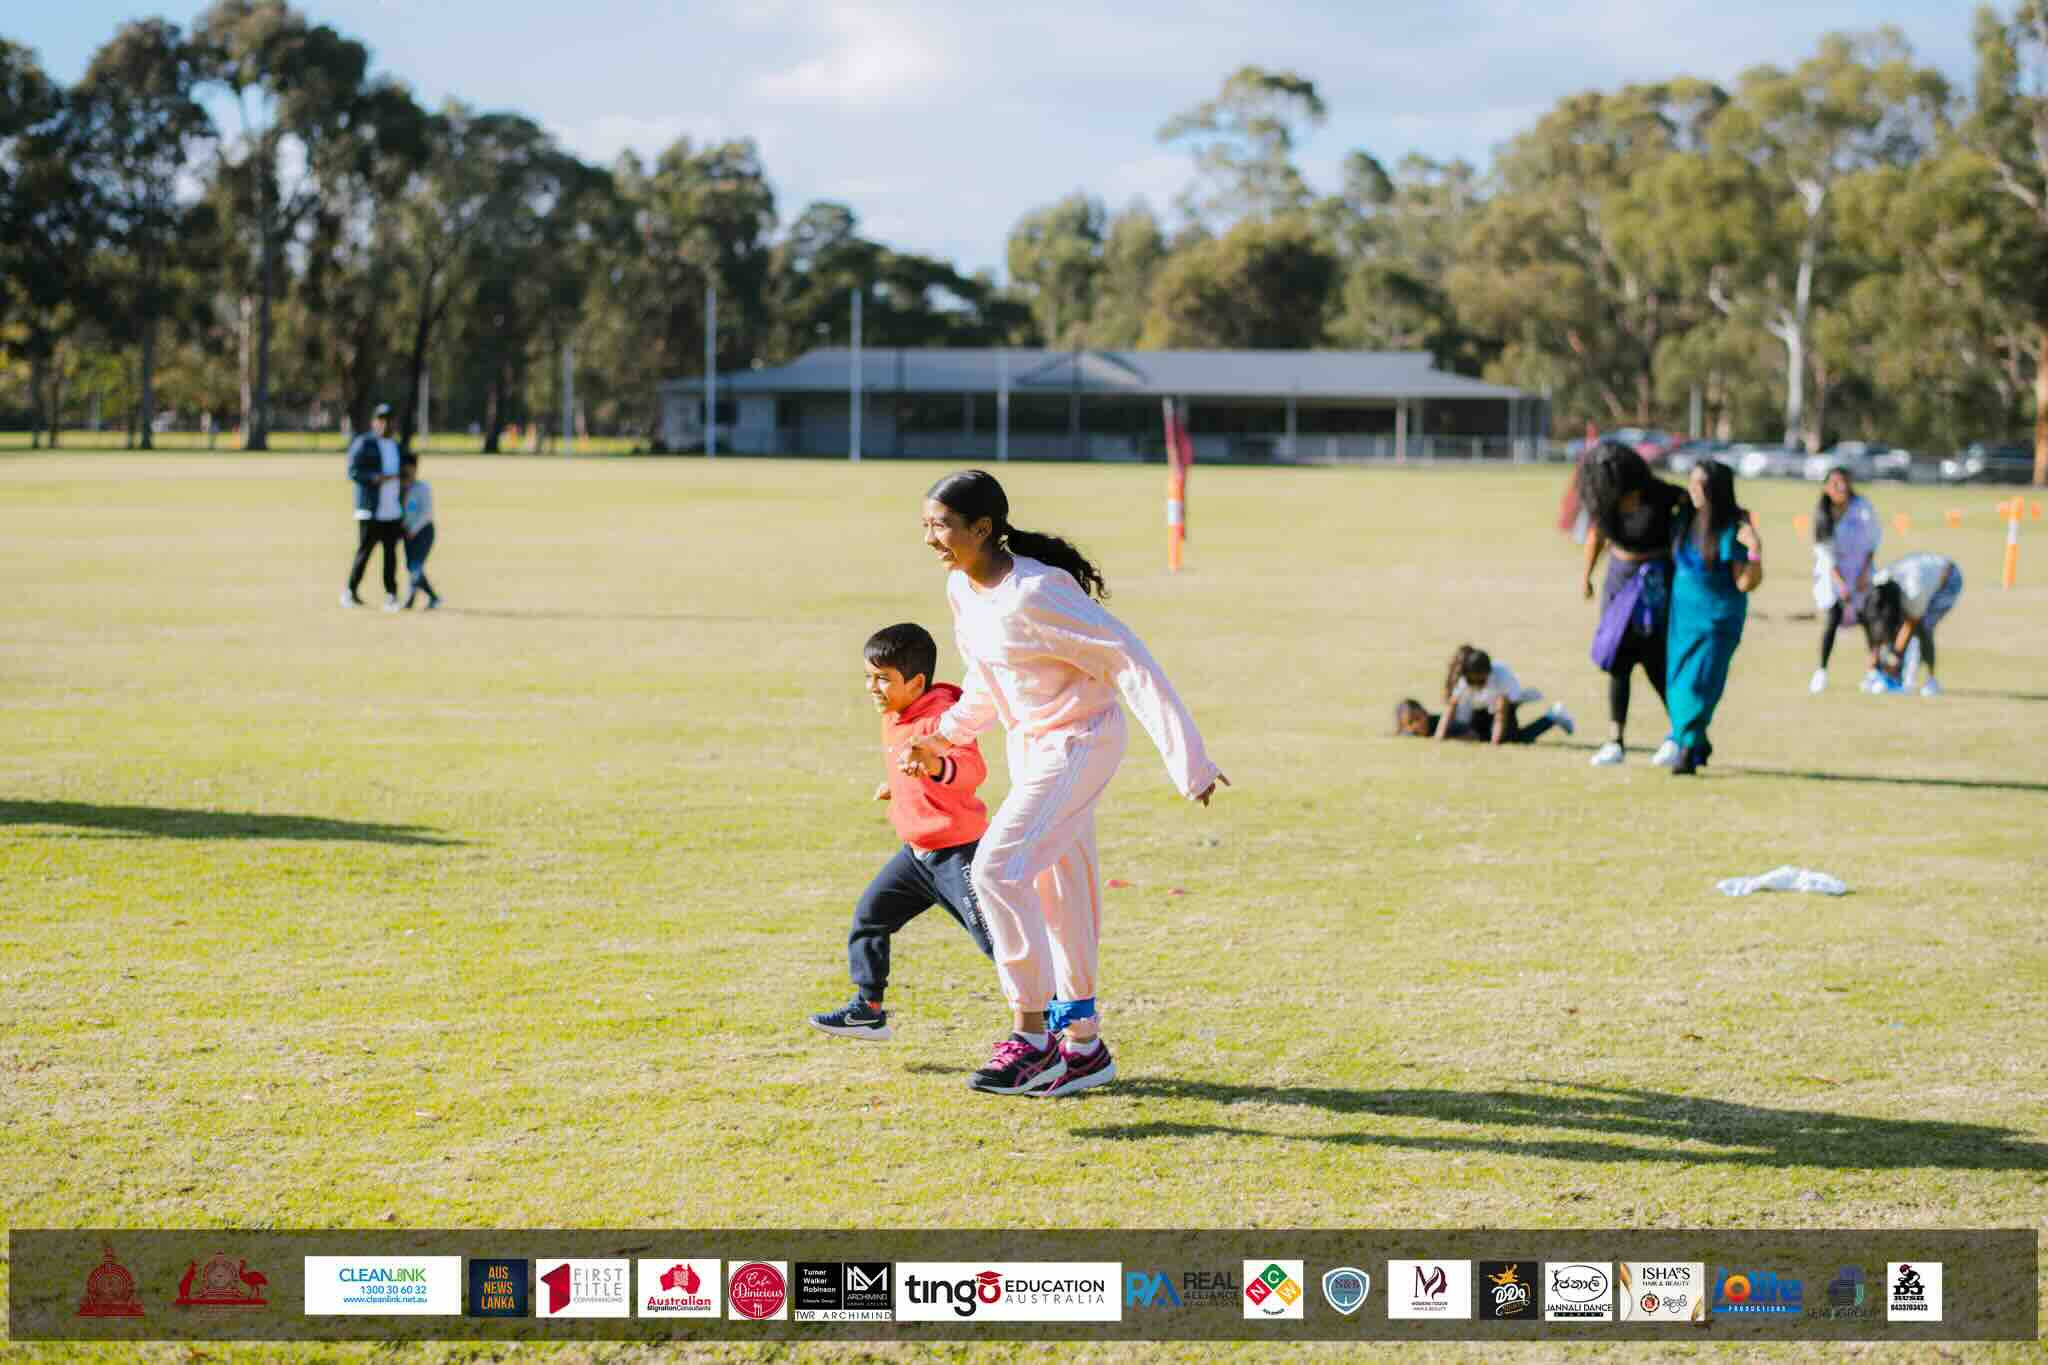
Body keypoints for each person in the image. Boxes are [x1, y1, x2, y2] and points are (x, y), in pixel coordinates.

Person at [903, 469, 1226, 1099]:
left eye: (941, 526)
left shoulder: (1038, 591)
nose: (930, 538)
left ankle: (1032, 1037)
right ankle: (1083, 1045)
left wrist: (1189, 762)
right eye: (925, 525)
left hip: (1080, 742)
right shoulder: (962, 588)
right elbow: (987, 676)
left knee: (996, 870)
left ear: (983, 528)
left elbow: (1130, 660)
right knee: (1059, 892)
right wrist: (943, 736)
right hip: (1033, 747)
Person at [808, 623, 997, 1041]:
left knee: (996, 941)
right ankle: (868, 1010)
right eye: (868, 677)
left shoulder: (941, 720)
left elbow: (972, 770)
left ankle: (1054, 1015)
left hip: (957, 854)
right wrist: (897, 786)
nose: (872, 688)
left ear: (916, 682)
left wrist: (935, 764)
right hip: (917, 855)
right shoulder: (895, 713)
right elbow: (910, 767)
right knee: (870, 917)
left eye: (882, 679)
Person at [1577, 442, 1686, 767]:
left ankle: (1680, 735)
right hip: (1619, 581)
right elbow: (1596, 538)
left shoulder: (1661, 494)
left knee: (1657, 661)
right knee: (1618, 658)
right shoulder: (1604, 500)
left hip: (1656, 582)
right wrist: (1586, 576)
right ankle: (1615, 741)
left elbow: (1693, 511)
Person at [1665, 460, 1764, 775]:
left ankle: (1686, 747)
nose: (1693, 489)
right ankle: (1696, 743)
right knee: (1678, 683)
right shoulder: (1683, 517)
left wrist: (1755, 551)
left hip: (1717, 620)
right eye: (1691, 482)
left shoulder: (1732, 527)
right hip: (1682, 616)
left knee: (1700, 684)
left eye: (1701, 484)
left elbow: (1745, 583)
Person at [1810, 466, 1881, 692]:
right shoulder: (1823, 514)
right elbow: (1825, 555)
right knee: (1834, 617)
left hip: (1861, 570)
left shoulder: (1862, 507)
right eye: (1835, 483)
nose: (1840, 487)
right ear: (1826, 487)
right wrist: (1841, 584)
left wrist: (1863, 574)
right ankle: (1821, 671)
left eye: (1844, 482)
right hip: (1833, 574)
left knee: (1869, 619)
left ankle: (1874, 672)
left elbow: (1872, 541)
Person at [1865, 552, 1962, 697]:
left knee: (1923, 629)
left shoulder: (1914, 593)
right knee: (1892, 631)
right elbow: (1879, 625)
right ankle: (1884, 675)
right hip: (1922, 574)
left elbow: (1910, 625)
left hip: (1948, 580)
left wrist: (1895, 656)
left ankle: (1923, 680)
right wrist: (1874, 664)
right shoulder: (1881, 582)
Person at [1433, 645, 1574, 744]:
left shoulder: (1501, 677)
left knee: (1512, 740)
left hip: (1510, 702)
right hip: (1483, 705)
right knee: (1478, 735)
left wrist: (1495, 744)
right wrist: (1438, 737)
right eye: (1472, 681)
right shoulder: (1466, 676)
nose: (1476, 685)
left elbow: (1500, 715)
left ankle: (1553, 716)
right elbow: (1451, 707)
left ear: (1487, 673)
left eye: (1480, 681)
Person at [343, 403, 404, 609]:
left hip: (392, 510)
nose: (385, 424)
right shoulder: (364, 443)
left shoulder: (396, 446)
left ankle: (391, 594)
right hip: (370, 509)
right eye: (381, 420)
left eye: (389, 420)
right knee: (365, 553)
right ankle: (350, 591)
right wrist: (374, 478)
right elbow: (353, 471)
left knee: (391, 555)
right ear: (374, 422)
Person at [1395, 696, 1570, 744]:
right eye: (1410, 724)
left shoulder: (1443, 725)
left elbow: (1472, 736)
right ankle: (1551, 717)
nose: (1416, 725)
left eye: (1418, 718)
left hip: (1487, 725)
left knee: (1516, 739)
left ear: (1425, 712)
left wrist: (1449, 739)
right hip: (1485, 719)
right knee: (1519, 739)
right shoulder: (1413, 734)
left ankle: (1515, 702)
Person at [399, 455, 442, 610]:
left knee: (415, 566)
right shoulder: (400, 487)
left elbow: (426, 513)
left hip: (423, 532)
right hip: (407, 533)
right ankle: (432, 598)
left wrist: (413, 529)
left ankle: (410, 600)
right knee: (411, 566)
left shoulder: (422, 488)